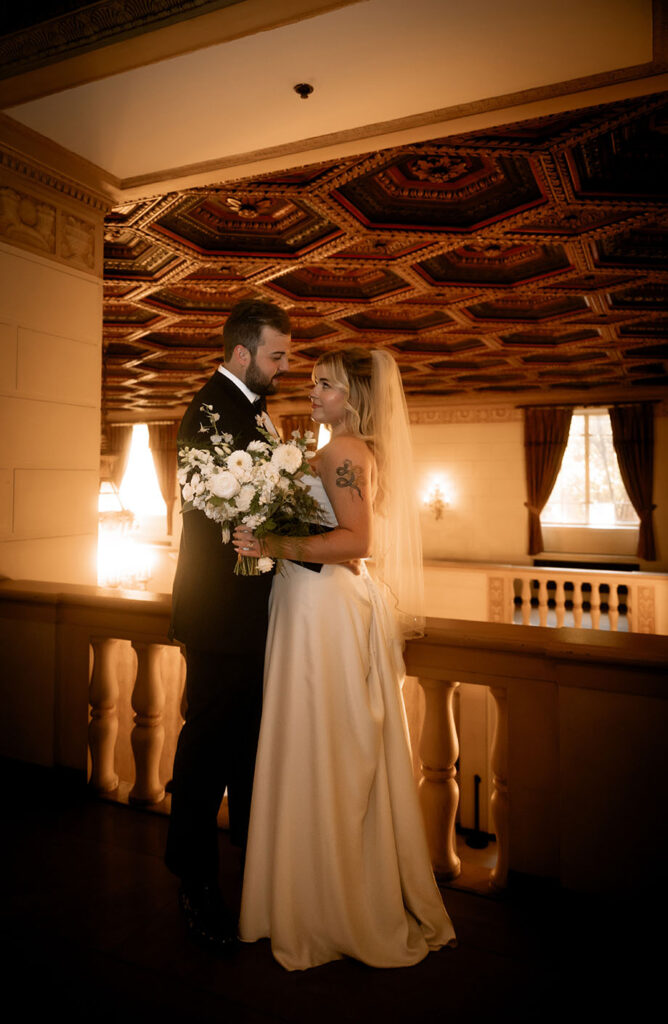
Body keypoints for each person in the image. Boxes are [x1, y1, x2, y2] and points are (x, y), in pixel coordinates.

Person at [232, 347, 456, 970]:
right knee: (313, 743)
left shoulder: (344, 453)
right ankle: (310, 894)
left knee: (316, 745)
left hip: (321, 608)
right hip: (309, 602)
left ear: (353, 397)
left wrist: (270, 539)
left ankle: (317, 904)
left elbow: (357, 540)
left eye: (325, 385)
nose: (312, 392)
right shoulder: (337, 451)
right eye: (311, 382)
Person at [166, 298, 291, 954]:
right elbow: (214, 508)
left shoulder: (256, 413)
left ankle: (252, 872)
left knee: (246, 747)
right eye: (277, 355)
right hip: (219, 612)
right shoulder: (208, 412)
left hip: (252, 612)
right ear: (242, 353)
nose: (284, 366)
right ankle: (193, 879)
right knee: (208, 746)